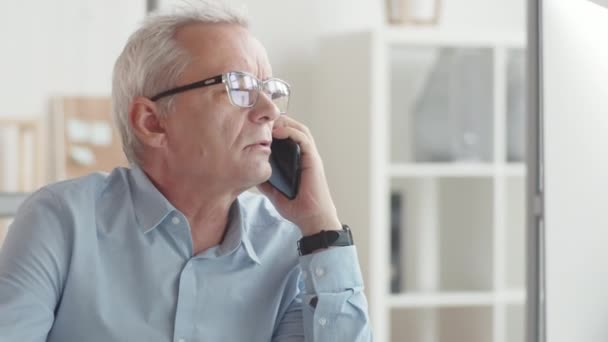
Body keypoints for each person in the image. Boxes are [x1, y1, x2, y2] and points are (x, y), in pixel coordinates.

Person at [0, 1, 372, 341]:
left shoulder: (288, 248)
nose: (269, 110)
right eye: (238, 86)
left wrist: (322, 226)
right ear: (152, 122)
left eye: (268, 90)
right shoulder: (60, 221)